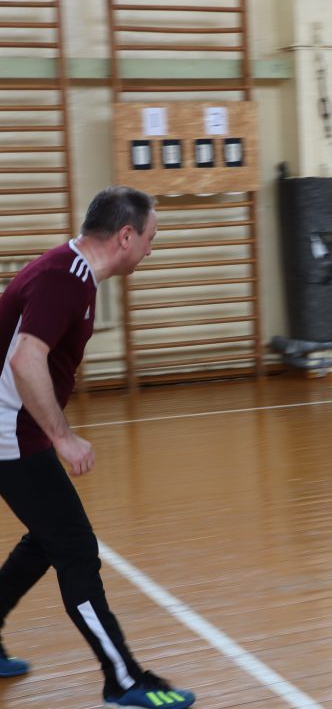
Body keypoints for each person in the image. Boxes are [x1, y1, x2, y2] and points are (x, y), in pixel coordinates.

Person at [0, 186, 196, 708]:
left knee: (49, 538)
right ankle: (124, 680)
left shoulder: (71, 272)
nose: (151, 249)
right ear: (126, 235)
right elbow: (24, 360)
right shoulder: (65, 278)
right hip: (8, 433)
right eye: (150, 238)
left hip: (15, 428)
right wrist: (62, 437)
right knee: (76, 550)